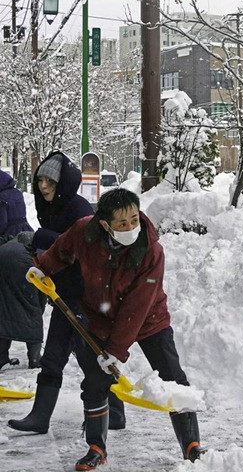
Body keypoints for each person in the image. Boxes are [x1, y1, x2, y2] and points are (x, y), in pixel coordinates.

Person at [27, 188, 203, 470]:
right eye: (122, 223)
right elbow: (62, 249)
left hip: (149, 319)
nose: (131, 227)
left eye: (134, 219)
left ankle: (192, 445)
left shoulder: (151, 250)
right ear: (104, 224)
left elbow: (138, 305)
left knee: (173, 376)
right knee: (96, 381)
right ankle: (96, 447)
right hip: (101, 316)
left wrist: (116, 351)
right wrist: (43, 267)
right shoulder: (85, 231)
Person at [8, 152, 126, 434]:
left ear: (63, 183)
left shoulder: (79, 208)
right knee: (61, 357)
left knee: (88, 356)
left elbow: (81, 248)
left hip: (84, 297)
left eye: (50, 181)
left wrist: (39, 238)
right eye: (40, 181)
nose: (44, 187)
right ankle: (41, 417)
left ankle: (115, 412)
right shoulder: (53, 207)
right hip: (64, 293)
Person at [0, 169, 44, 370]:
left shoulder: (1, 198)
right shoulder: (15, 193)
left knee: (4, 305)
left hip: (7, 243)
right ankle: (34, 358)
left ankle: (2, 357)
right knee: (30, 305)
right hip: (24, 238)